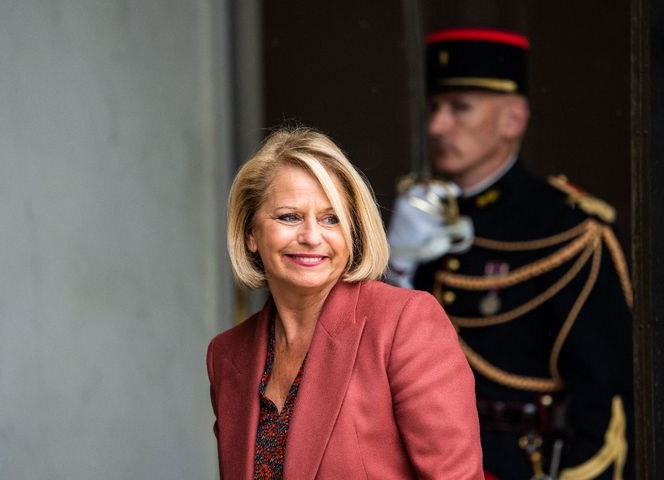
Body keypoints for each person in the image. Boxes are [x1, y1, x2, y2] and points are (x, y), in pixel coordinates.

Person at [387, 28, 634, 480]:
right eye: (436, 108)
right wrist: (395, 268)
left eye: (460, 108)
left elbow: (605, 392)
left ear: (512, 120)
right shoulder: (421, 220)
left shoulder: (566, 228)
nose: (437, 126)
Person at [207, 126, 484, 479]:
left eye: (331, 219)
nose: (311, 236)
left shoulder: (404, 323)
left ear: (351, 232)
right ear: (251, 234)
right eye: (289, 216)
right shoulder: (227, 354)